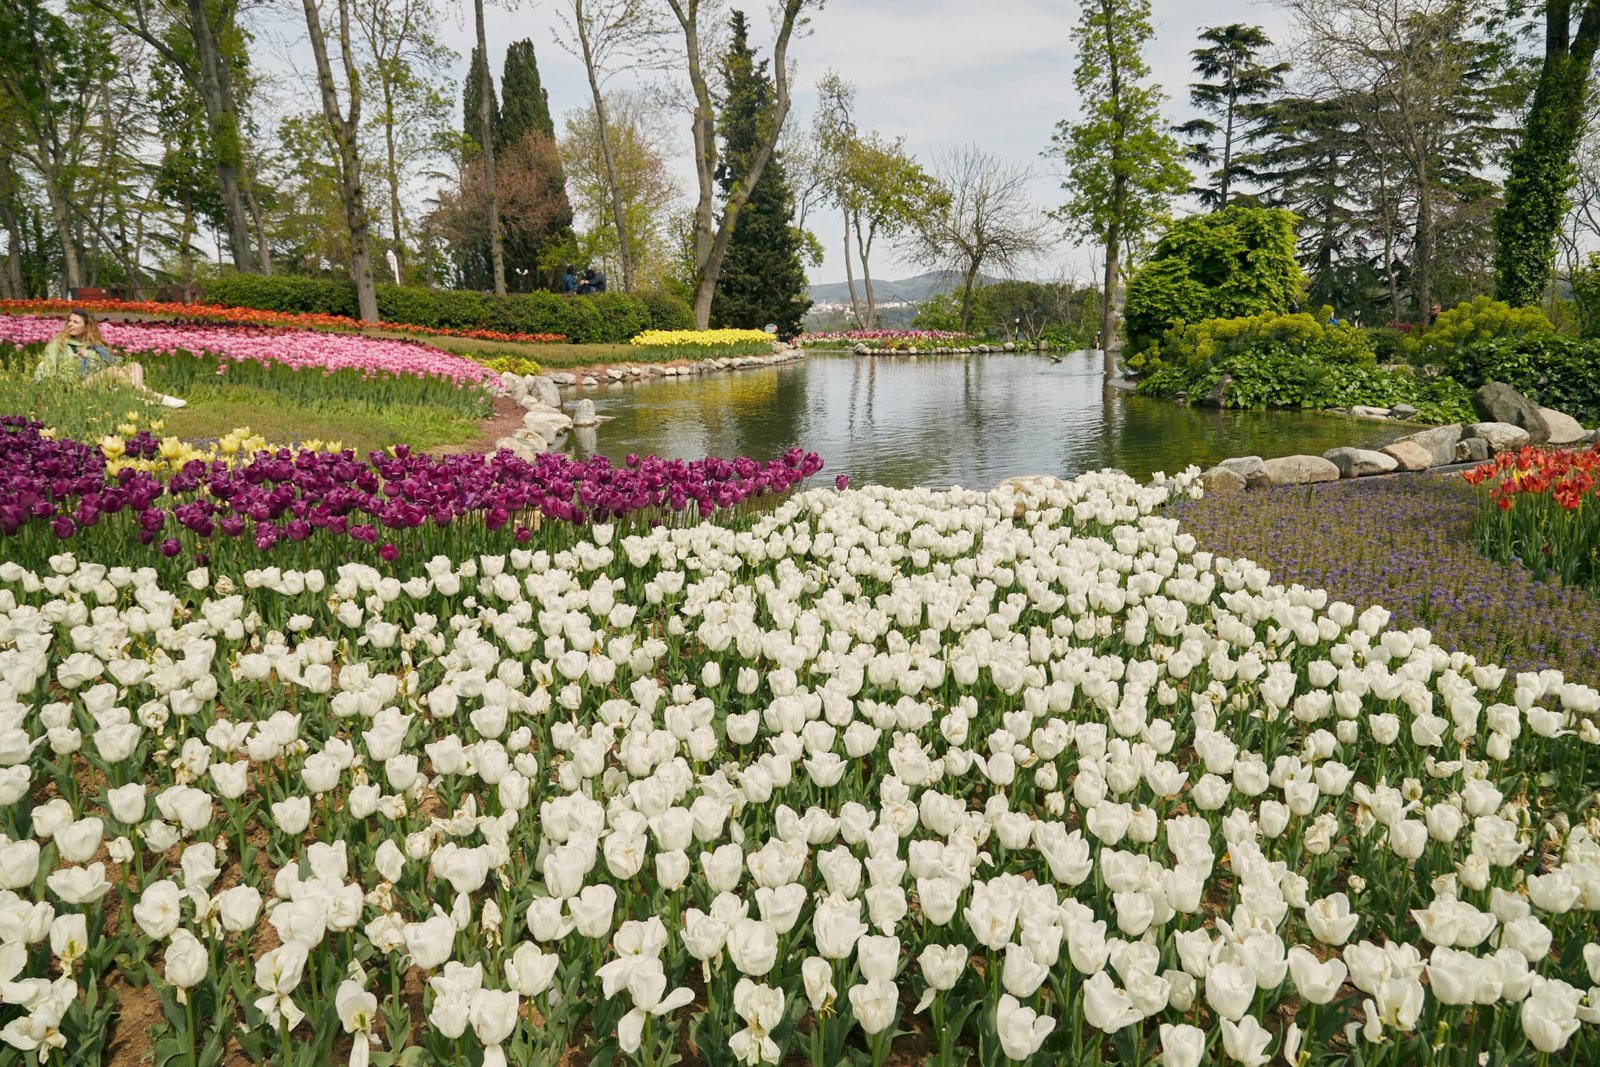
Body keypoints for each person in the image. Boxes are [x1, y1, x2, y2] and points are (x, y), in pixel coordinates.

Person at [33, 308, 186, 408]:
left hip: (99, 383)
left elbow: (111, 363)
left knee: (134, 366)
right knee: (112, 371)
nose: (70, 325)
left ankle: (137, 396)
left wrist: (92, 357)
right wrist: (50, 393)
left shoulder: (95, 345)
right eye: (69, 321)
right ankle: (159, 398)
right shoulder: (58, 343)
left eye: (75, 322)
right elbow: (48, 366)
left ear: (87, 326)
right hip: (73, 387)